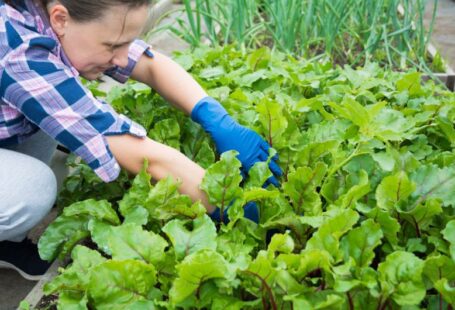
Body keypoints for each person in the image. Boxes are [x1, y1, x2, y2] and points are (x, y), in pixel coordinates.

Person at [0, 0, 282, 280]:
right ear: (60, 19)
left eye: (126, 43)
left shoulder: (53, 14)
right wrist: (235, 206)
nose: (122, 59)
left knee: (56, 134)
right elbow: (142, 154)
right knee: (34, 189)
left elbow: (150, 64)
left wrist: (216, 118)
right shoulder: (19, 53)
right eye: (112, 46)